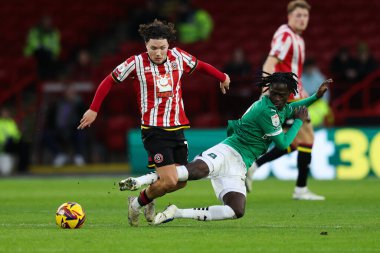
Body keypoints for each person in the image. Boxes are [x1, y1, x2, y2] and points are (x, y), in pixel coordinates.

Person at [120, 73, 332, 224]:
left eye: (281, 95)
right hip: (228, 151)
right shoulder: (267, 110)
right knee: (193, 172)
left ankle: (176, 212)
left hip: (240, 165)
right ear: (268, 90)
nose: (276, 97)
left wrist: (316, 97)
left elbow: (292, 107)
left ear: (288, 95)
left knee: (236, 211)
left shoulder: (281, 106)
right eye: (273, 93)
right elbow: (283, 144)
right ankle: (142, 180)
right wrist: (299, 122)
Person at [78, 19, 230, 227]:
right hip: (154, 130)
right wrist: (94, 108)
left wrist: (222, 77)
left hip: (178, 128)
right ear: (146, 46)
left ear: (169, 45)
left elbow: (201, 66)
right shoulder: (136, 63)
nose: (158, 53)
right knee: (169, 181)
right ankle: (137, 204)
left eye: (162, 48)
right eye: (153, 48)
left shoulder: (178, 57)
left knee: (181, 182)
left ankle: (145, 196)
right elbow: (109, 80)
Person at [244, 0, 325, 200]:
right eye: (298, 15)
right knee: (301, 139)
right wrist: (265, 91)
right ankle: (299, 188)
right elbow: (271, 61)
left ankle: (257, 167)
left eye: (305, 16)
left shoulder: (297, 38)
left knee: (302, 141)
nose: (302, 19)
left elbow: (292, 69)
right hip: (286, 97)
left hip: (295, 94)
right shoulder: (286, 36)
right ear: (289, 17)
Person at [43, 85, 87, 166]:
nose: (71, 94)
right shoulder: (58, 103)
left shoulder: (79, 104)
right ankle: (59, 155)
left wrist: (78, 104)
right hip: (59, 130)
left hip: (73, 129)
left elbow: (84, 118)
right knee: (46, 135)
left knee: (80, 133)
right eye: (69, 92)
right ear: (65, 93)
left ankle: (79, 156)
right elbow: (51, 118)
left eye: (73, 92)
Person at [24, 15, 60, 80]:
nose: (47, 22)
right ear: (42, 21)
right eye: (46, 20)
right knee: (42, 54)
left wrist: (55, 54)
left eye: (49, 21)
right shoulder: (35, 30)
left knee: (52, 58)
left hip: (47, 53)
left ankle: (50, 77)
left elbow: (56, 45)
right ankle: (41, 77)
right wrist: (42, 47)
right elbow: (32, 41)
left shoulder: (54, 32)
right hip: (34, 51)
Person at [0, 108, 30, 174]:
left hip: (12, 143)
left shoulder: (11, 122)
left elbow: (16, 134)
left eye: (7, 113)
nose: (6, 114)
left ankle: (22, 168)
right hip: (3, 144)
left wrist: (20, 136)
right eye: (4, 113)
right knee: (12, 142)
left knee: (25, 146)